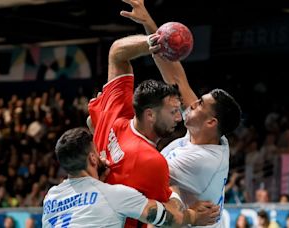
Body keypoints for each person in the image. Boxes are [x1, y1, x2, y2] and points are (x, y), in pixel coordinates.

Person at [87, 18, 219, 227]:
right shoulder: (151, 160)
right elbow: (168, 217)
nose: (179, 118)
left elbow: (116, 53)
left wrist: (151, 41)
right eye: (173, 112)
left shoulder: (114, 113)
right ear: (150, 115)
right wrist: (192, 212)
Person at [120, 1, 242, 227]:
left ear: (211, 122)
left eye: (199, 105)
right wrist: (151, 28)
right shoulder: (211, 137)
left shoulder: (202, 161)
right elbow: (175, 77)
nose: (192, 104)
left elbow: (143, 175)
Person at [42, 127, 218, 227]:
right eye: (97, 151)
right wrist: (192, 214)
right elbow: (168, 219)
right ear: (93, 158)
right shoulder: (114, 195)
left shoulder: (51, 197)